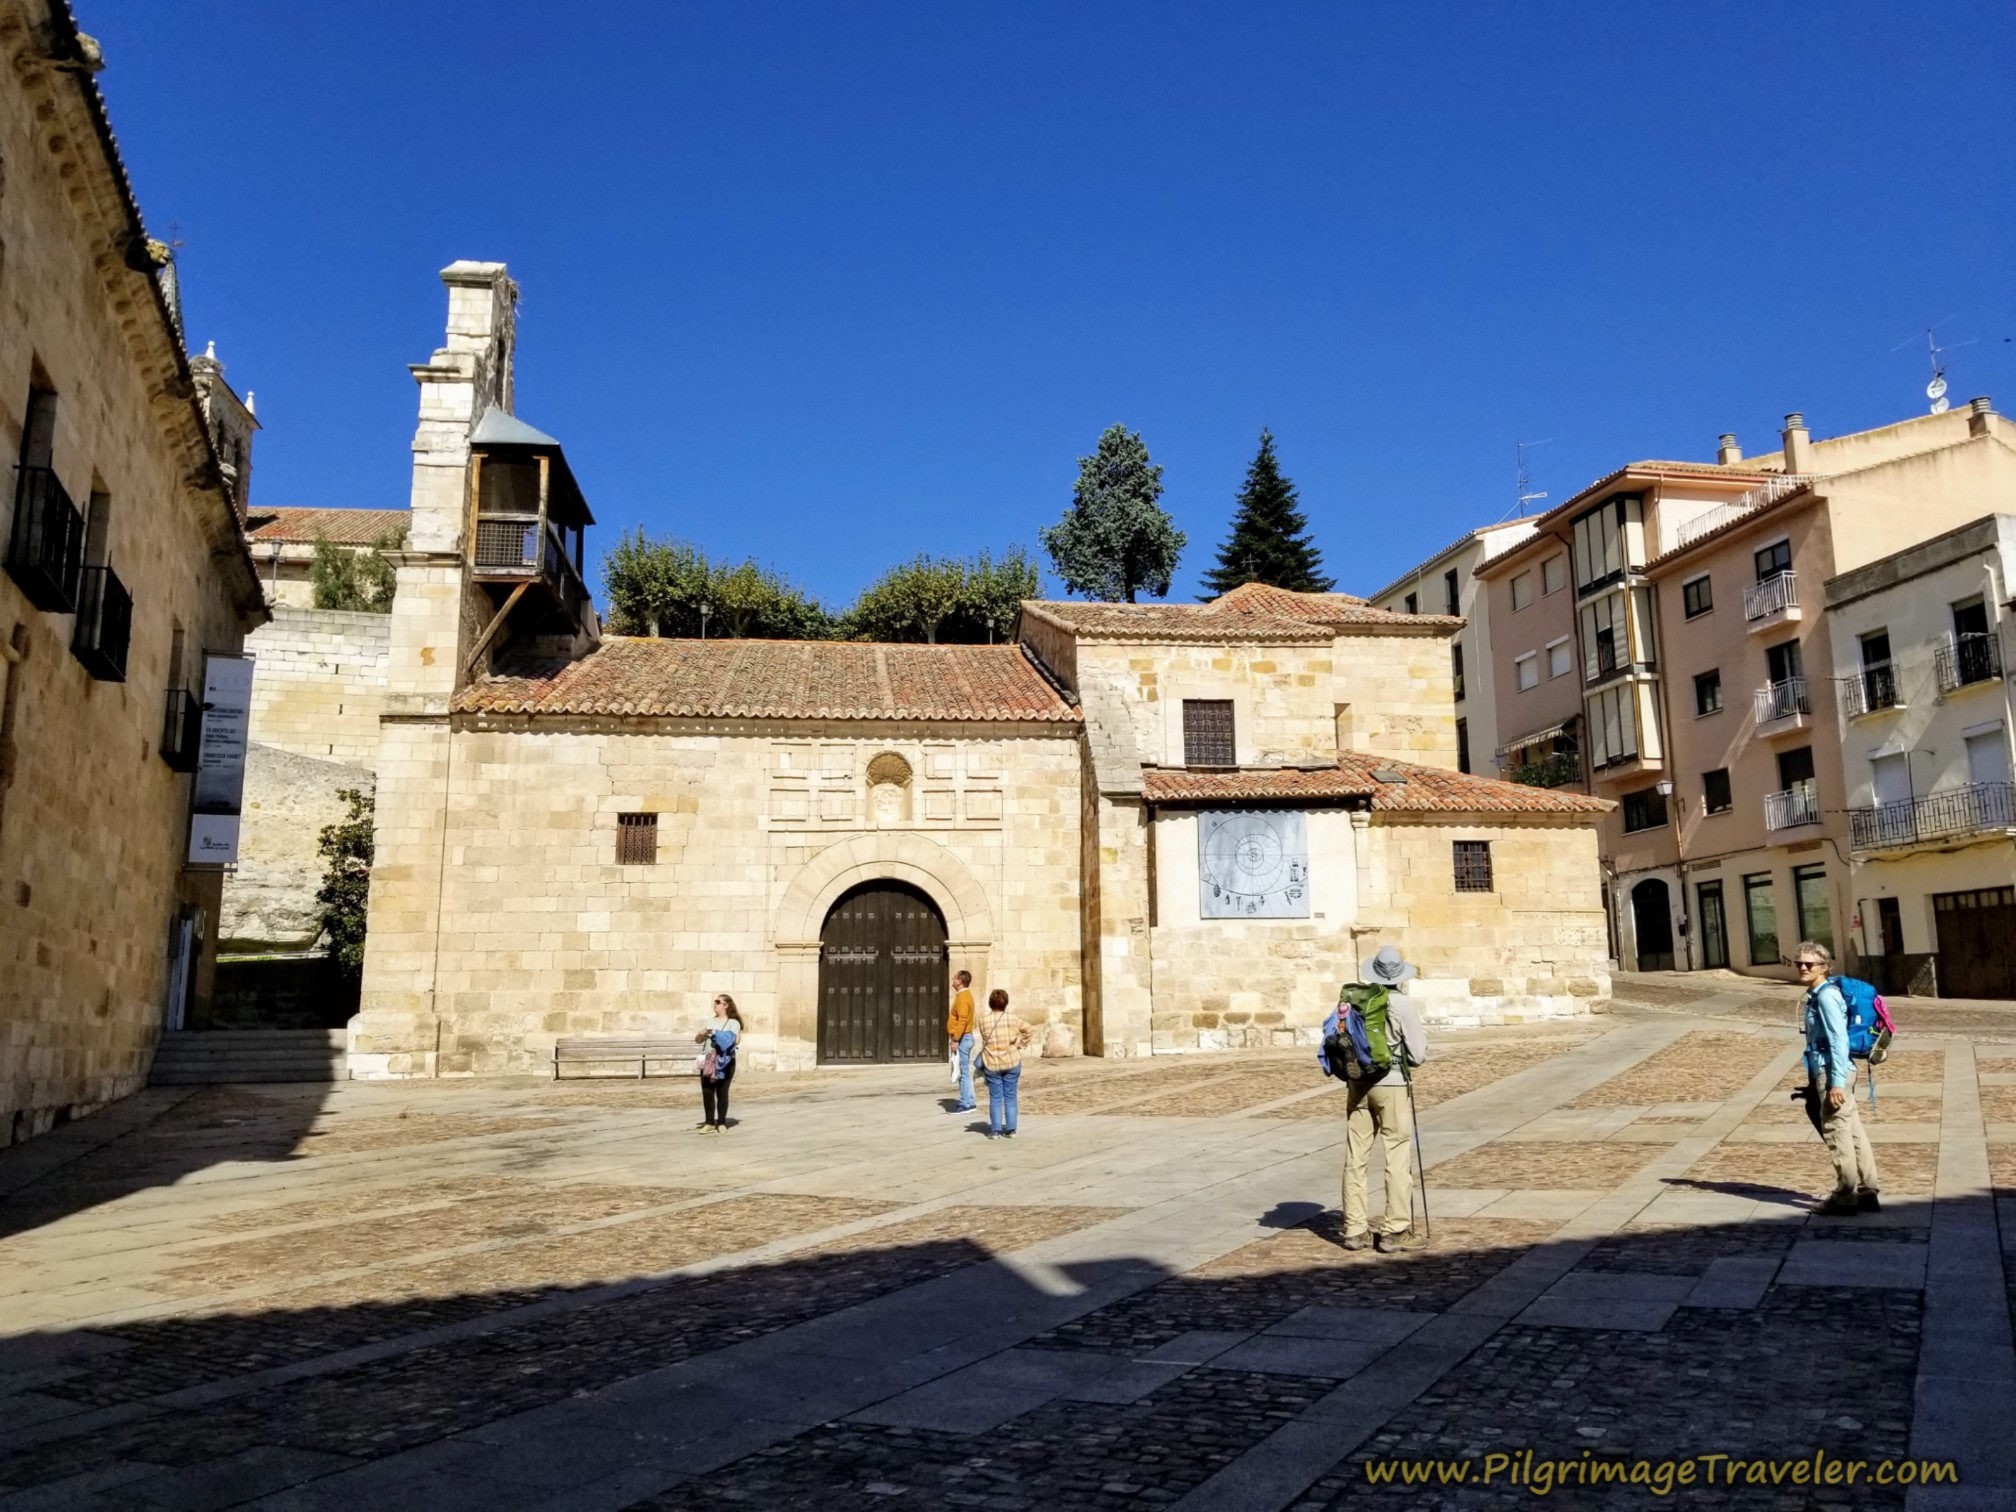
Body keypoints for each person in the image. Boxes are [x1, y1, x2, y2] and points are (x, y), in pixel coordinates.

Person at [1329, 945, 1429, 1253]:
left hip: (1358, 1084)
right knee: (1396, 1152)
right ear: (1399, 976)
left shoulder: (1355, 1001)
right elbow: (1418, 1055)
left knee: (1356, 1156)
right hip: (1392, 1085)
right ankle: (1394, 1230)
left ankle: (1354, 1229)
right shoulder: (1402, 1004)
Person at [1795, 942, 1881, 1214]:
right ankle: (1868, 1191)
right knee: (1853, 1130)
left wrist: (1835, 1082)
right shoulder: (1819, 994)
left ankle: (1845, 1196)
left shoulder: (1826, 997)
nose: (1803, 967)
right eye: (1799, 963)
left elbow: (1838, 1039)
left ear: (1825, 967)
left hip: (1833, 1070)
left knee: (1837, 1132)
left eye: (1810, 964)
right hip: (1836, 1070)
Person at [973, 988, 1035, 1139]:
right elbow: (1029, 1030)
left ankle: (995, 1131)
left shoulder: (982, 1021)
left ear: (990, 1003)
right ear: (1006, 1003)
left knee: (995, 1097)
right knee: (1010, 1096)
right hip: (1011, 1061)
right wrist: (1020, 1045)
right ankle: (1011, 1129)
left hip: (992, 1062)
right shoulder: (1013, 1019)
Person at [695, 994, 742, 1134]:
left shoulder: (733, 1022)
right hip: (708, 1058)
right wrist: (701, 1033)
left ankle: (721, 1122)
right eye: (715, 1001)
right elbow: (698, 1041)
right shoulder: (709, 1021)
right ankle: (709, 1122)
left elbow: (736, 1040)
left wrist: (717, 1033)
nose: (715, 1004)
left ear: (726, 1005)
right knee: (707, 1091)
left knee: (722, 1091)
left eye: (718, 1002)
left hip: (725, 1060)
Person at [947, 969, 977, 1113]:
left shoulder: (963, 997)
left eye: (954, 978)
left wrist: (955, 1039)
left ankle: (965, 1103)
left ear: (960, 981)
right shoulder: (963, 996)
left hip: (963, 1038)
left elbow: (962, 1020)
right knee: (964, 1071)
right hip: (964, 1037)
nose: (952, 980)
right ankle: (970, 1100)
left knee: (963, 1072)